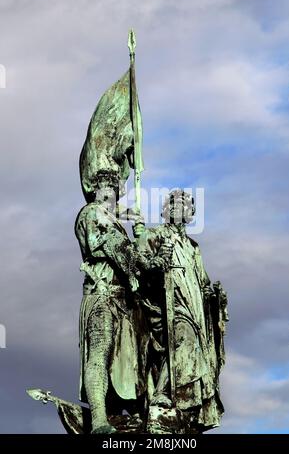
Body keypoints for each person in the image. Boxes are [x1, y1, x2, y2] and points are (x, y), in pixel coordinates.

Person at [75, 173, 172, 434]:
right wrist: (146, 261)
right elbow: (116, 249)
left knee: (132, 361)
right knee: (100, 353)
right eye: (105, 189)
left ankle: (124, 413)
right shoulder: (92, 213)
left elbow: (130, 258)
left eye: (114, 190)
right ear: (96, 190)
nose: (109, 194)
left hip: (122, 300)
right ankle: (98, 420)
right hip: (102, 295)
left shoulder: (113, 219)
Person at [134, 189, 228, 431]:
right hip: (165, 308)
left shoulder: (193, 247)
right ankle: (163, 395)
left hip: (194, 310)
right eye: (173, 203)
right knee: (184, 339)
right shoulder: (154, 236)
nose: (178, 207)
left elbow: (202, 282)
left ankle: (184, 407)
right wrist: (156, 264)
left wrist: (212, 295)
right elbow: (136, 266)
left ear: (191, 214)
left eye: (184, 204)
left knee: (194, 346)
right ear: (166, 210)